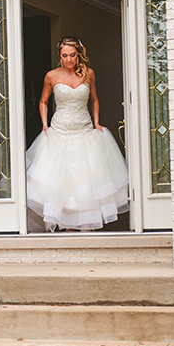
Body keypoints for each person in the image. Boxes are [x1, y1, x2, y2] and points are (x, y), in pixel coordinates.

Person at [25, 37, 130, 231]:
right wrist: (44, 125)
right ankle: (67, 225)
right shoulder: (51, 76)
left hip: (84, 130)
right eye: (64, 56)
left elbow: (94, 99)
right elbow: (43, 101)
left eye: (72, 55)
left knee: (85, 179)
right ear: (60, 55)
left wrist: (97, 122)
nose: (69, 60)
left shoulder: (88, 74)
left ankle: (84, 223)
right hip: (59, 131)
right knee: (61, 181)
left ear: (78, 54)